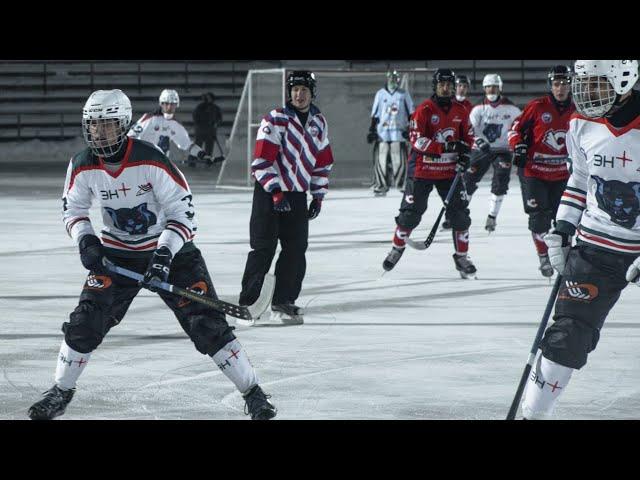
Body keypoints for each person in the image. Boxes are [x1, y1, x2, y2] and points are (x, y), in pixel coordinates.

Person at [27, 89, 276, 421]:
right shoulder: (83, 164)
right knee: (86, 321)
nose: (99, 133)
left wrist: (163, 255)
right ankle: (60, 391)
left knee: (207, 325)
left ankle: (253, 392)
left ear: (125, 124)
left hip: (173, 253)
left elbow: (183, 213)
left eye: (108, 125)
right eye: (94, 125)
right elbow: (74, 209)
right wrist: (86, 240)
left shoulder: (151, 160)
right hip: (117, 257)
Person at [521, 60, 640, 419]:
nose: (586, 94)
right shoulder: (580, 124)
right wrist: (562, 228)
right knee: (567, 335)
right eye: (583, 85)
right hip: (595, 246)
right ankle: (533, 414)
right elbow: (579, 182)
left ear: (624, 82)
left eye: (597, 85)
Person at [238, 71, 334, 324]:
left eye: (303, 89)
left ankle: (283, 301)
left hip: (297, 195)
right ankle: (248, 304)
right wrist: (276, 191)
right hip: (269, 194)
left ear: (312, 92)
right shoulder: (275, 119)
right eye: (294, 90)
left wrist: (318, 195)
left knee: (296, 249)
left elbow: (322, 163)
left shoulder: (318, 122)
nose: (298, 94)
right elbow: (261, 163)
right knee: (263, 248)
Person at [382, 68, 477, 278]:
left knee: (460, 215)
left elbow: (468, 137)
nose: (446, 88)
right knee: (410, 215)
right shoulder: (424, 109)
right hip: (423, 169)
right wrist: (447, 149)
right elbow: (417, 141)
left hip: (449, 171)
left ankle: (462, 256)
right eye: (442, 84)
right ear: (435, 86)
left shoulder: (461, 111)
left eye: (449, 84)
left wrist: (465, 154)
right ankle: (396, 248)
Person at [508, 65, 576, 277]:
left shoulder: (578, 109)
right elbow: (514, 130)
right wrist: (518, 145)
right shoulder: (537, 106)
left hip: (563, 175)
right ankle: (544, 257)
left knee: (565, 219)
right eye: (557, 84)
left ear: (571, 85)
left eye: (565, 83)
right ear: (551, 85)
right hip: (534, 172)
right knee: (538, 219)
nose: (561, 88)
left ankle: (565, 254)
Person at [463, 74, 521, 232]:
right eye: (488, 86)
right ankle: (460, 211)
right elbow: (469, 130)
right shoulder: (477, 108)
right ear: (484, 88)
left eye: (495, 86)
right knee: (468, 180)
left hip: (502, 150)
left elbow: (519, 127)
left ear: (500, 87)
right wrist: (477, 141)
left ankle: (492, 216)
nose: (491, 89)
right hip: (481, 149)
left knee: (500, 182)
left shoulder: (512, 108)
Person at [128, 89, 214, 166]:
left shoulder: (176, 124)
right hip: (142, 163)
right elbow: (130, 136)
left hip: (161, 165)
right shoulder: (149, 119)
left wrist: (202, 154)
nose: (169, 107)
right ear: (161, 104)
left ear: (177, 105)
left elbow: (187, 144)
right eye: (166, 103)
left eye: (172, 104)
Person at [367, 70, 415, 196]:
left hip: (398, 133)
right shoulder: (380, 94)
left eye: (395, 78)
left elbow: (411, 113)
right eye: (391, 78)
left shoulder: (403, 94)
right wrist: (372, 129)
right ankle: (381, 185)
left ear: (398, 79)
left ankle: (403, 185)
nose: (393, 80)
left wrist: (410, 129)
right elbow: (375, 114)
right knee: (381, 160)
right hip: (382, 133)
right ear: (387, 79)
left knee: (399, 160)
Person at [442, 74, 473, 230]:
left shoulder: (470, 107)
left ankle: (455, 216)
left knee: (460, 184)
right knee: (449, 185)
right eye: (459, 85)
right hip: (446, 150)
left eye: (464, 86)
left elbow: (470, 131)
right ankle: (449, 216)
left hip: (461, 151)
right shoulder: (448, 104)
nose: (462, 88)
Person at [193, 92, 223, 157]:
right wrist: (198, 124)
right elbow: (195, 117)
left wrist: (216, 124)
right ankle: (193, 160)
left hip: (210, 130)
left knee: (209, 147)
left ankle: (208, 161)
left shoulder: (215, 108)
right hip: (201, 129)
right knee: (197, 146)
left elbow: (219, 118)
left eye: (208, 98)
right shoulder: (200, 107)